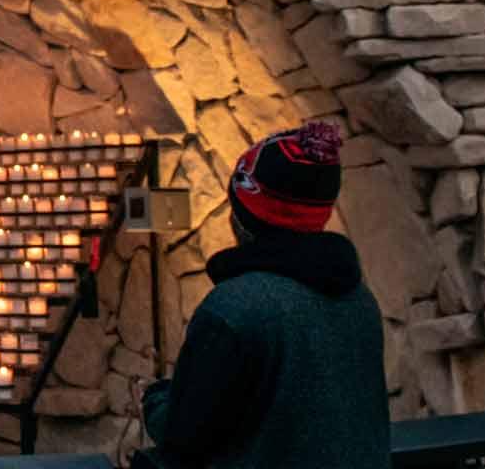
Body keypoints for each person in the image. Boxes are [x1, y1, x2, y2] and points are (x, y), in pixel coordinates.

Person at [141, 121, 387, 469]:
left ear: (246, 216)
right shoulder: (360, 299)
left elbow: (185, 437)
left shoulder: (233, 310)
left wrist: (154, 399)